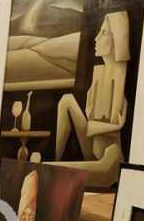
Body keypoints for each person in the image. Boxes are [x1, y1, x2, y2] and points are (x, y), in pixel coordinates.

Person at [50, 11, 131, 188]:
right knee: (66, 100)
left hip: (110, 156)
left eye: (103, 33)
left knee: (52, 172)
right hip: (94, 147)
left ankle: (53, 165)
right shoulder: (99, 74)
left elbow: (96, 127)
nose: (96, 38)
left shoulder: (118, 78)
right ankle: (55, 158)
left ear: (116, 38)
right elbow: (91, 124)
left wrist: (107, 127)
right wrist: (109, 126)